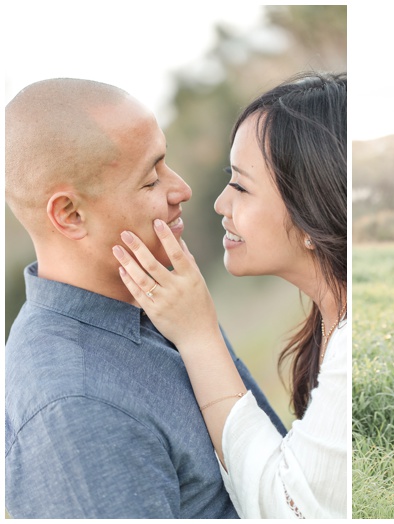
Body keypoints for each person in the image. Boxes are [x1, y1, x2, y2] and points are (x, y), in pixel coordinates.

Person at [4, 78, 285, 519]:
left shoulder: (161, 303)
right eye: (151, 179)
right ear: (70, 215)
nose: (182, 190)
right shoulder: (77, 410)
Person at [112, 71, 348, 519]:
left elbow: (287, 507)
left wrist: (198, 335)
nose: (220, 202)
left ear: (312, 209)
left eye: (240, 186)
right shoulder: (327, 320)